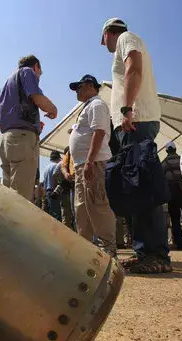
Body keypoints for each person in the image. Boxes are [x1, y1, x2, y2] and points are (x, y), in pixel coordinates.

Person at [102, 18, 170, 271]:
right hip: (134, 121)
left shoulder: (125, 39)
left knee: (143, 187)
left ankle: (157, 256)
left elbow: (134, 68)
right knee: (136, 188)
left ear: (106, 34)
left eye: (103, 40)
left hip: (136, 120)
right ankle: (145, 252)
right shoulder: (126, 40)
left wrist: (126, 109)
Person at [0, 55, 57, 200]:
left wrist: (28, 124)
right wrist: (53, 109)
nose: (38, 78)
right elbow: (36, 96)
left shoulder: (4, 87)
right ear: (36, 66)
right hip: (21, 140)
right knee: (20, 198)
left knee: (8, 196)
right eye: (39, 74)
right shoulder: (27, 72)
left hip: (5, 140)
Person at [68, 74, 116, 257]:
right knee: (82, 209)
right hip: (83, 165)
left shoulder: (97, 104)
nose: (77, 92)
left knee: (98, 206)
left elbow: (99, 132)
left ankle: (109, 249)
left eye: (79, 88)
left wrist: (89, 161)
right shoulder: (87, 107)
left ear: (90, 86)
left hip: (94, 163)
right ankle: (85, 252)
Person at [161, 141, 182, 250]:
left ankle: (179, 243)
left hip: (171, 192)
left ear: (167, 150)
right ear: (175, 149)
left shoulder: (164, 163)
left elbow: (161, 179)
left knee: (175, 218)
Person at [43, 150, 62, 221]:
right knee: (57, 215)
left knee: (52, 214)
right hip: (54, 192)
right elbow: (56, 179)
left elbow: (45, 184)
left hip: (48, 192)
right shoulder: (56, 166)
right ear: (58, 158)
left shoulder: (46, 168)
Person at [59, 146, 75, 230]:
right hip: (71, 186)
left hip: (67, 189)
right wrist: (66, 174)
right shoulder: (68, 155)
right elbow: (63, 167)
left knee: (67, 213)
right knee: (74, 211)